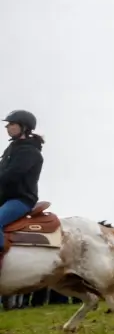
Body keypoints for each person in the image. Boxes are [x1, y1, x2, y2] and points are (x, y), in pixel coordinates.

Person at [0, 110, 44, 262]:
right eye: (7, 125)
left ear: (24, 127)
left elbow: (12, 175)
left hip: (20, 200)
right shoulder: (12, 149)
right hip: (5, 198)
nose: (7, 128)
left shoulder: (30, 152)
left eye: (11, 124)